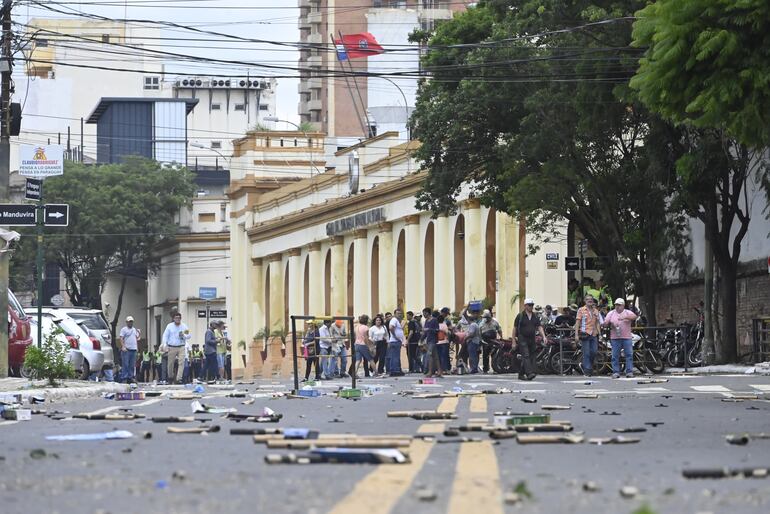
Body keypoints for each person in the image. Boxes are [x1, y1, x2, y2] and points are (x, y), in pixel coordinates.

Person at [603, 298, 638, 378]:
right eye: (616, 305)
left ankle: (629, 372)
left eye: (619, 305)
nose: (617, 307)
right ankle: (616, 372)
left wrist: (626, 317)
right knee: (615, 355)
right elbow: (605, 323)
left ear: (623, 305)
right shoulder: (611, 313)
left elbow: (635, 316)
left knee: (629, 354)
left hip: (626, 337)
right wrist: (610, 323)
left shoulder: (627, 312)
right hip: (615, 337)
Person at [512, 298, 546, 381]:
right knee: (526, 355)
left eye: (532, 305)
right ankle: (529, 373)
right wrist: (513, 341)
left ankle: (521, 373)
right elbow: (514, 328)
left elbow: (539, 327)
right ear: (525, 306)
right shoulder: (520, 316)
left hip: (532, 338)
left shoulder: (535, 316)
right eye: (529, 305)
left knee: (531, 356)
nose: (531, 307)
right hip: (522, 337)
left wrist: (544, 336)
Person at [574, 294, 602, 377]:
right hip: (584, 333)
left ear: (593, 301)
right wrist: (576, 335)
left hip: (593, 334)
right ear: (585, 301)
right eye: (587, 299)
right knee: (586, 353)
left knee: (594, 351)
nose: (589, 301)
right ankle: (587, 370)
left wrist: (599, 334)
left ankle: (584, 365)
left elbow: (597, 323)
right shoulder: (581, 310)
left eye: (591, 299)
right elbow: (577, 322)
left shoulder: (595, 311)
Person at [162, 312, 191, 384]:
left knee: (181, 362)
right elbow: (165, 336)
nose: (177, 319)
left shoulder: (184, 326)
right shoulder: (169, 326)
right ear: (173, 319)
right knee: (170, 363)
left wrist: (184, 335)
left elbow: (189, 335)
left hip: (181, 346)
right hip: (172, 346)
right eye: (176, 318)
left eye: (179, 318)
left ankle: (179, 378)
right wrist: (165, 345)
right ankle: (170, 377)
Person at [118, 316, 140, 383]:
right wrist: (123, 346)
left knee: (132, 365)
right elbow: (121, 338)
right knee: (125, 364)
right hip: (126, 350)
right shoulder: (124, 329)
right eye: (129, 321)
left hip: (133, 349)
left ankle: (131, 377)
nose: (130, 323)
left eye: (131, 321)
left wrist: (137, 348)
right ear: (126, 322)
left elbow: (136, 339)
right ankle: (124, 377)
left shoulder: (134, 330)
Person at [387, 309, 406, 376]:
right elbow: (391, 328)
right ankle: (395, 371)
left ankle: (396, 370)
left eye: (400, 313)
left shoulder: (397, 321)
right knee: (395, 357)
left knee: (395, 356)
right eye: (398, 313)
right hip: (395, 341)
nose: (399, 315)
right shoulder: (394, 320)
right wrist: (395, 336)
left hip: (397, 341)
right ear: (394, 314)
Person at [423, 310, 442, 377]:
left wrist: (429, 329)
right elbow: (425, 332)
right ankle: (439, 371)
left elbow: (437, 330)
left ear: (427, 313)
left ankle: (430, 372)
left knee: (430, 356)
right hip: (429, 340)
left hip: (433, 340)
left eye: (424, 313)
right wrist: (421, 339)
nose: (423, 315)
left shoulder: (434, 320)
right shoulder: (426, 321)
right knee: (435, 356)